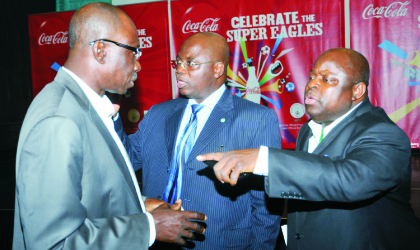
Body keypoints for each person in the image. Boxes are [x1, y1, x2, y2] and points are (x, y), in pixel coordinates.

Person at [13, 3, 206, 250]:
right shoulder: (58, 120)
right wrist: (149, 228)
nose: (138, 65)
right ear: (101, 51)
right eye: (133, 51)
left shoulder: (86, 108)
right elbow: (56, 243)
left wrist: (141, 204)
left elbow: (93, 197)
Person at [197, 48, 420, 249]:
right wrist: (248, 169)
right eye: (312, 76)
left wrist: (264, 159)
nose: (312, 83)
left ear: (357, 90)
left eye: (326, 79)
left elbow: (349, 181)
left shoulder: (383, 132)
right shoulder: (307, 129)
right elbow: (308, 182)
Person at [115, 32, 282, 249]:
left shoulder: (256, 118)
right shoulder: (158, 113)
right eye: (179, 62)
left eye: (190, 63)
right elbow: (125, 160)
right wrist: (113, 114)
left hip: (219, 243)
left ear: (218, 69)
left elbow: (266, 202)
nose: (180, 69)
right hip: (158, 241)